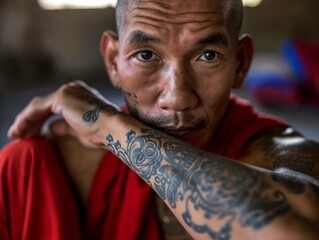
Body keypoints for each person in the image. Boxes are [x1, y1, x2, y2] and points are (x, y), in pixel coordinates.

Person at [1, 0, 319, 239]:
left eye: (208, 56)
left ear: (241, 63)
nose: (177, 97)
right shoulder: (39, 168)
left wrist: (108, 125)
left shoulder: (283, 154)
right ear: (113, 60)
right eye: (146, 55)